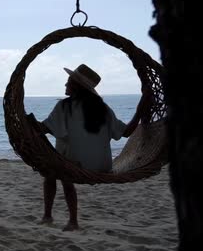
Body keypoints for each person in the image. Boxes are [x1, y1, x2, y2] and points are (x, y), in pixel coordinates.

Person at [35, 64, 145, 231]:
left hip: (75, 166)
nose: (65, 85)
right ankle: (70, 220)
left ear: (77, 86)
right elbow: (126, 132)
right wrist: (140, 111)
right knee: (59, 168)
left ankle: (53, 217)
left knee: (51, 171)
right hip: (102, 166)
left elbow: (44, 129)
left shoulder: (65, 106)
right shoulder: (103, 108)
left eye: (68, 82)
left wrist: (24, 122)